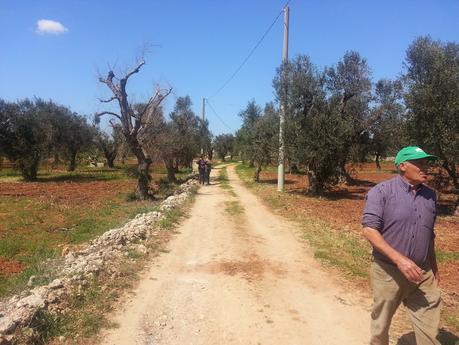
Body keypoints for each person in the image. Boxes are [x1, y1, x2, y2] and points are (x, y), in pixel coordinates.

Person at [362, 146, 442, 345]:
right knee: (381, 326)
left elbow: (429, 234)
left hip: (422, 274)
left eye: (427, 163)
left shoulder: (431, 196)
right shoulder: (381, 192)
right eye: (420, 163)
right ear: (403, 166)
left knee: (429, 327)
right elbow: (369, 230)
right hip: (388, 271)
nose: (426, 167)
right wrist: (400, 260)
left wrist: (433, 267)